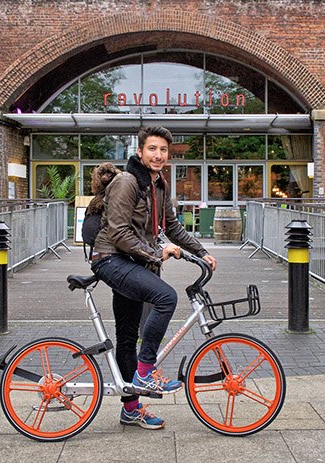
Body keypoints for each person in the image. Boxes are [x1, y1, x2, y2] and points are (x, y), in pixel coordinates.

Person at [90, 126, 217, 430]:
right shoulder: (127, 182)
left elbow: (171, 226)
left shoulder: (159, 184)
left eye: (163, 150)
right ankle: (146, 373)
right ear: (140, 152)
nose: (158, 155)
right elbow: (118, 232)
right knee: (166, 297)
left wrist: (201, 252)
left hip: (131, 261)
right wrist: (156, 254)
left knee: (127, 335)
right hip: (110, 259)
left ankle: (131, 409)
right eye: (152, 149)